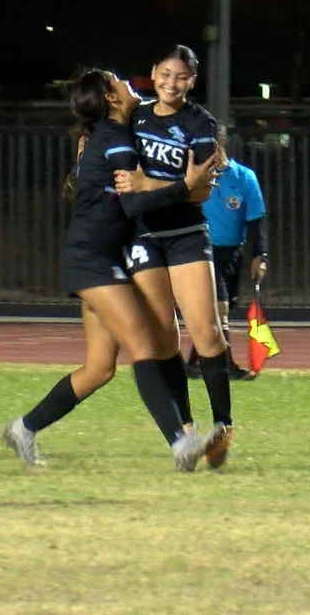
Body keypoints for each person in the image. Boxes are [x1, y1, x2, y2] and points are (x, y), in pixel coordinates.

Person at [1, 68, 217, 471]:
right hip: (93, 259)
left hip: (101, 257)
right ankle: (180, 442)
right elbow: (132, 202)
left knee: (99, 369)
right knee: (144, 346)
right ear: (111, 99)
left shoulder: (108, 136)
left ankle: (23, 428)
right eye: (122, 84)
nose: (131, 88)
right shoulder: (114, 139)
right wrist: (185, 186)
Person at [113, 44, 237, 469]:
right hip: (145, 236)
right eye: (165, 74)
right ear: (153, 72)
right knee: (164, 338)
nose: (171, 83)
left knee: (207, 333)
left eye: (180, 76)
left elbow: (200, 188)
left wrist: (148, 185)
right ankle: (186, 430)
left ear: (193, 80)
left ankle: (222, 427)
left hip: (185, 234)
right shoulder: (137, 116)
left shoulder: (199, 122)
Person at [184, 129, 269, 381]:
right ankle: (226, 366)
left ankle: (192, 364)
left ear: (221, 145)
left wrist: (259, 255)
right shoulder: (193, 176)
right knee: (219, 309)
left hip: (232, 253)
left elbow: (256, 219)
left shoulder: (244, 177)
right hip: (200, 250)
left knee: (217, 311)